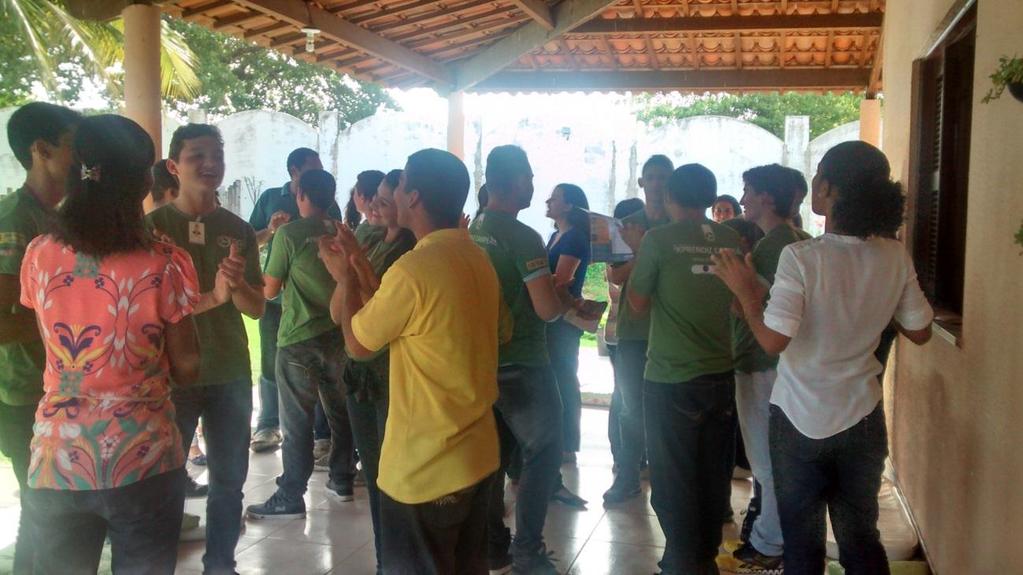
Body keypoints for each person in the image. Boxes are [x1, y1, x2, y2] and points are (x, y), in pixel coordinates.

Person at [712, 141, 934, 575]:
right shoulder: (893, 254)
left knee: (802, 545)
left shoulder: (802, 257)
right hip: (863, 418)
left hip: (798, 420)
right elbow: (921, 330)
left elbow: (773, 341)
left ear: (828, 189)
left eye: (817, 178)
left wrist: (745, 291)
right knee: (861, 540)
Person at [19, 114, 201, 574]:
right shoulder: (165, 263)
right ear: (144, 181)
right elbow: (188, 366)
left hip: (56, 459)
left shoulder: (39, 255)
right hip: (142, 458)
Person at [320, 148, 501, 574]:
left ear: (414, 197)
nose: (392, 193)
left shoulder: (416, 268)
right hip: (476, 455)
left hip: (426, 468)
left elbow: (358, 345)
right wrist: (360, 263)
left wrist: (345, 277)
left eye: (398, 187)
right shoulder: (476, 257)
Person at [148, 123, 265, 575]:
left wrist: (234, 287)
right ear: (175, 167)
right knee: (165, 481)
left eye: (217, 153)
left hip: (231, 372)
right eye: (198, 155)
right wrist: (212, 297)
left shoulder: (236, 230)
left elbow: (255, 308)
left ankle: (221, 565)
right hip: (173, 376)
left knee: (229, 482)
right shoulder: (152, 230)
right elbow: (149, 309)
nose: (211, 163)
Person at [471, 145, 583, 574]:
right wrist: (561, 295)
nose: (534, 185)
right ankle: (528, 549)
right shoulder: (523, 237)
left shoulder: (474, 229)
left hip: (482, 363)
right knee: (543, 451)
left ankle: (493, 544)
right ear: (516, 181)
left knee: (492, 459)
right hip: (523, 363)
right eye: (530, 177)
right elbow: (545, 310)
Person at [629, 163, 741, 575]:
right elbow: (736, 301)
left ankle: (681, 561)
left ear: (670, 198)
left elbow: (637, 305)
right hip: (721, 375)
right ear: (712, 200)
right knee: (713, 473)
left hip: (671, 379)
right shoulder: (731, 238)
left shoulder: (658, 240)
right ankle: (705, 555)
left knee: (673, 477)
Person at [246, 168, 359, 522]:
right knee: (340, 414)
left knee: (297, 422)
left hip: (297, 339)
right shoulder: (340, 232)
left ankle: (291, 494)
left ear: (301, 196)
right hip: (338, 338)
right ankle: (342, 480)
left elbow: (270, 289)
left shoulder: (290, 234)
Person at [0, 101, 80, 575]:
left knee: (51, 518)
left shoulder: (62, 217)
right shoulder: (15, 220)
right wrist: (70, 321)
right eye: (74, 147)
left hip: (61, 392)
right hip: (24, 391)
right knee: (45, 516)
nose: (83, 160)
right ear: (42, 150)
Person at [728, 164, 813, 573]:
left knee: (765, 460)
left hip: (760, 362)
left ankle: (769, 541)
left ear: (765, 198)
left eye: (747, 191)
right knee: (779, 458)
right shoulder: (802, 240)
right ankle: (772, 534)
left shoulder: (769, 249)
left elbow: (750, 306)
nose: (742, 199)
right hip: (785, 364)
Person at [335, 168, 416, 572]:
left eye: (386, 199)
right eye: (376, 199)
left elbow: (378, 315)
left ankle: (396, 561)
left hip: (389, 371)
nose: (376, 206)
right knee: (374, 469)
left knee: (391, 475)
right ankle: (388, 560)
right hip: (360, 368)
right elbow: (343, 311)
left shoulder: (410, 253)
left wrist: (352, 265)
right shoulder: (370, 238)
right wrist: (350, 264)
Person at [248, 147, 340, 453]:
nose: (317, 173)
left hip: (314, 310)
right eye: (311, 168)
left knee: (312, 377)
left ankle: (319, 436)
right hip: (279, 307)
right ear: (293, 172)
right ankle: (268, 425)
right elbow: (251, 238)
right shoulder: (271, 198)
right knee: (272, 363)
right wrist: (271, 230)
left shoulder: (330, 211)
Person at [602, 154, 674, 506]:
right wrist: (641, 252)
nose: (658, 184)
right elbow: (614, 276)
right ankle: (628, 475)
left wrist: (642, 250)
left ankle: (667, 481)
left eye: (664, 177)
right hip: (633, 331)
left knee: (668, 409)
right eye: (652, 177)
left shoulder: (683, 223)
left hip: (674, 329)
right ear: (642, 183)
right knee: (630, 407)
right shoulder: (625, 224)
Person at [544, 183, 591, 463]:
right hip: (553, 316)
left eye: (556, 198)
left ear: (570, 206)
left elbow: (561, 281)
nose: (548, 201)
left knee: (563, 377)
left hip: (563, 318)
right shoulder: (556, 235)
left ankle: (567, 443)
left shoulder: (573, 238)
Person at [604, 197, 644, 472]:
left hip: (639, 331)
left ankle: (635, 457)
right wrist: (645, 254)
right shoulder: (617, 247)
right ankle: (623, 457)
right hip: (621, 332)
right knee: (624, 397)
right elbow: (614, 281)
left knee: (629, 397)